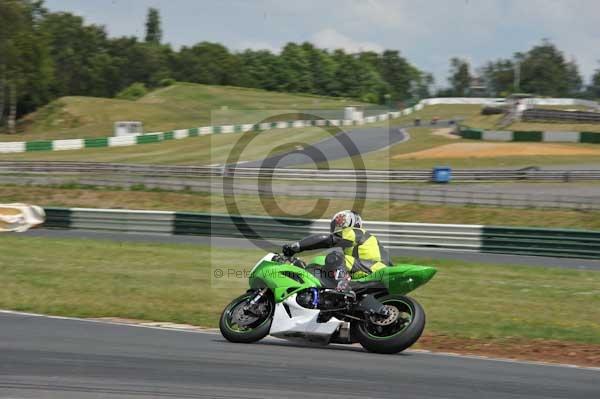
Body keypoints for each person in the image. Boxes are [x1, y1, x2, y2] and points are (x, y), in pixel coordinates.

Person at [282, 210, 391, 292]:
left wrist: (296, 247)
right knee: (328, 266)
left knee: (336, 257)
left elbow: (326, 240)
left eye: (340, 222)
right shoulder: (353, 242)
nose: (338, 227)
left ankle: (342, 284)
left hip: (374, 268)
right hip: (367, 271)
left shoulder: (356, 232)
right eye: (336, 224)